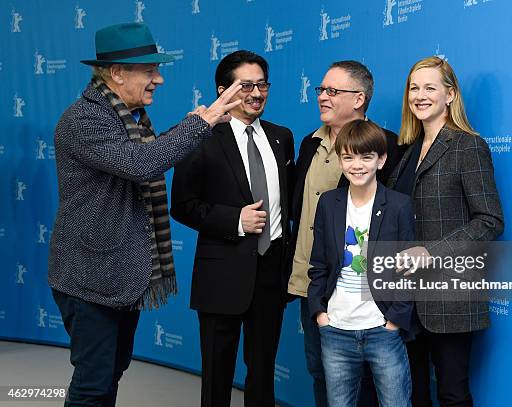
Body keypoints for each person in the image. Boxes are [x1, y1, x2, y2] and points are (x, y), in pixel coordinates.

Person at [48, 22, 242, 406]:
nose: (159, 79)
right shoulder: (84, 119)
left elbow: (143, 158)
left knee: (110, 375)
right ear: (117, 73)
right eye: (149, 71)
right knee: (92, 385)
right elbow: (140, 164)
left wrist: (196, 126)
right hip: (91, 278)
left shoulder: (129, 116)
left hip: (118, 275)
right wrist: (201, 123)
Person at [170, 50, 295, 407]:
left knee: (263, 374)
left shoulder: (281, 137)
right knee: (216, 377)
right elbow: (182, 205)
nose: (257, 94)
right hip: (221, 275)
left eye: (262, 85)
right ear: (223, 90)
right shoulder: (199, 137)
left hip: (272, 274)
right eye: (246, 87)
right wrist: (234, 221)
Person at [387, 56, 504, 407]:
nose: (419, 95)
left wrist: (430, 253)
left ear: (450, 95)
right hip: (406, 298)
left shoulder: (468, 146)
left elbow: (490, 221)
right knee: (413, 393)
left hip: (449, 295)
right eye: (413, 88)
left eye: (429, 88)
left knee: (452, 395)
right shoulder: (407, 151)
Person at [288, 60, 402, 406]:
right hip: (314, 287)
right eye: (321, 89)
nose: (322, 96)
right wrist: (318, 305)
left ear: (359, 99)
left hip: (368, 298)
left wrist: (394, 315)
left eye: (332, 91)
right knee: (322, 374)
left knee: (368, 384)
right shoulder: (310, 143)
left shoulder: (389, 147)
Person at [308, 119, 415, 407]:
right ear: (341, 160)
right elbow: (318, 264)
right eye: (349, 157)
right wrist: (320, 313)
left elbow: (408, 271)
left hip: (383, 328)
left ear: (381, 160)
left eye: (366, 157)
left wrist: (394, 321)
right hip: (336, 330)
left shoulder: (398, 205)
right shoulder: (329, 203)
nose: (357, 165)